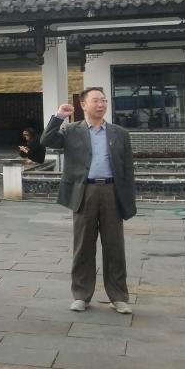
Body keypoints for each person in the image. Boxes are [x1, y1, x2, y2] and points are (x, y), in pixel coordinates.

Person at [41, 88, 136, 315]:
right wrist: (58, 117)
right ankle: (81, 295)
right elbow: (46, 140)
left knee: (115, 246)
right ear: (83, 105)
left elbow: (128, 169)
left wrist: (128, 199)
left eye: (103, 100)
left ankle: (118, 297)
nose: (101, 104)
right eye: (95, 101)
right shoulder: (71, 130)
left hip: (111, 191)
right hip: (84, 191)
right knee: (83, 245)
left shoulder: (119, 133)